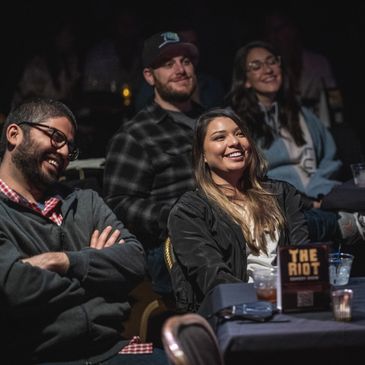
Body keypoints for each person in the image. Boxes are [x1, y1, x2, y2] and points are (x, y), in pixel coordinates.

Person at [0, 98, 167, 364]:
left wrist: (64, 261)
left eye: (69, 146)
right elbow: (14, 288)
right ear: (14, 134)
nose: (65, 152)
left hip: (111, 351)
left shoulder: (85, 201)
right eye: (56, 137)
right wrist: (99, 276)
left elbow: (135, 260)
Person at [167, 108, 310, 312]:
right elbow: (214, 279)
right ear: (203, 156)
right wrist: (264, 302)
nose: (234, 142)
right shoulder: (190, 211)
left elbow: (303, 257)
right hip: (234, 312)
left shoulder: (283, 195)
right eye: (219, 137)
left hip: (290, 304)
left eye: (240, 133)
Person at [226, 40, 364, 243]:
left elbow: (329, 157)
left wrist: (319, 193)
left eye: (272, 62)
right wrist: (306, 201)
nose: (268, 69)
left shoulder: (301, 113)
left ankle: (349, 220)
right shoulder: (237, 122)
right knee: (300, 220)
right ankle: (349, 223)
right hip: (279, 201)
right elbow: (250, 176)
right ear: (245, 80)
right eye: (256, 66)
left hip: (323, 194)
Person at [103, 31, 203, 295]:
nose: (180, 69)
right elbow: (118, 202)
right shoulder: (136, 134)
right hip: (174, 245)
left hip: (235, 228)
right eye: (168, 64)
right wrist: (177, 217)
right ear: (149, 76)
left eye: (186, 61)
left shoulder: (216, 121)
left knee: (315, 223)